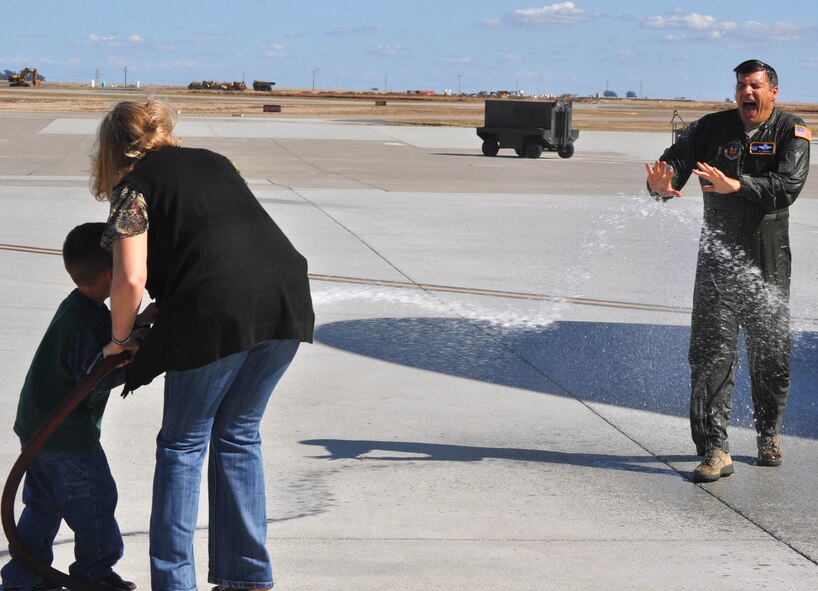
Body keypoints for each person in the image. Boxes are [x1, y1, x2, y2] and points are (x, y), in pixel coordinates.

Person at [90, 99, 315, 591]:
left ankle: (174, 583)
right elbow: (217, 245)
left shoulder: (134, 187)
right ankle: (248, 578)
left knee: (182, 445)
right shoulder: (217, 162)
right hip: (285, 301)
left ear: (113, 148)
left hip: (216, 314)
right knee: (238, 437)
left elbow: (130, 279)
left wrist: (121, 340)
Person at [645, 59, 811, 483]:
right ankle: (714, 448)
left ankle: (768, 432)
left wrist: (738, 186)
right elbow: (675, 164)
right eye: (740, 86)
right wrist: (661, 186)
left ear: (773, 91)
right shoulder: (710, 129)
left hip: (767, 261)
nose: (746, 93)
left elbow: (787, 188)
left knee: (769, 355)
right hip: (719, 262)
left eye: (754, 86)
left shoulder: (793, 131)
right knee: (710, 354)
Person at [1, 223, 152, 591]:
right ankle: (95, 575)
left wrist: (137, 327)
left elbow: (95, 353)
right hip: (66, 438)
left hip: (39, 431)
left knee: (44, 506)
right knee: (96, 501)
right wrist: (141, 356)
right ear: (111, 273)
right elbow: (94, 375)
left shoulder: (78, 307)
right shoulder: (88, 320)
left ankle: (24, 578)